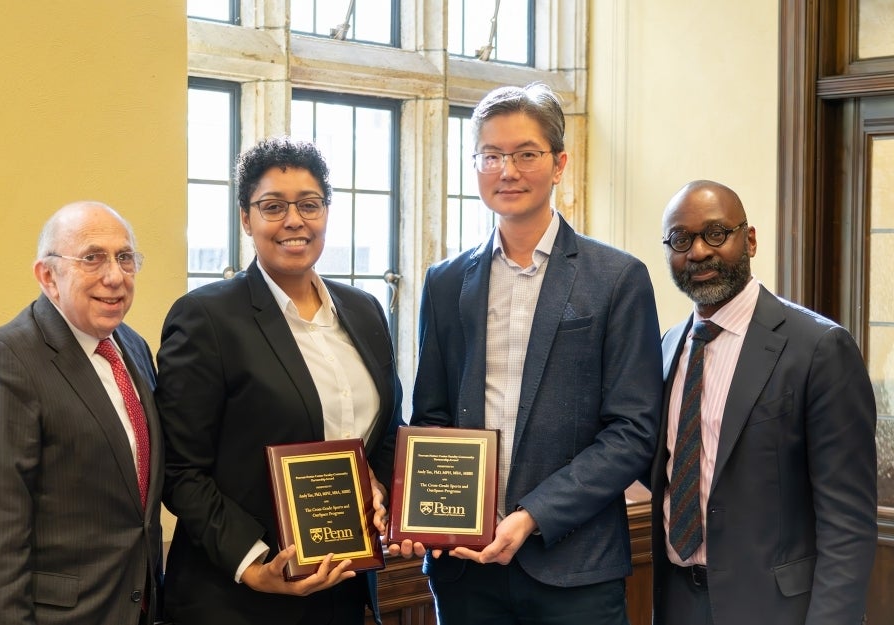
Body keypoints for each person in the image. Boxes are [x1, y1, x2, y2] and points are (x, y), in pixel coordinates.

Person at [399, 83, 663, 624]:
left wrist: (531, 516)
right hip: (466, 568)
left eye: (525, 154)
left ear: (559, 163)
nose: (507, 170)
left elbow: (633, 431)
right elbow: (433, 417)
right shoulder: (447, 282)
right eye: (490, 156)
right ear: (475, 166)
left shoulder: (616, 278)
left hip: (575, 568)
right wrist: (428, 515)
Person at [156, 137, 403, 625]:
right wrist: (253, 564)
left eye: (309, 205)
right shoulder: (206, 317)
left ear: (327, 212)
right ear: (246, 219)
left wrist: (377, 488)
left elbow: (387, 433)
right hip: (237, 598)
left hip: (343, 591)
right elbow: (181, 471)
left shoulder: (364, 310)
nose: (295, 220)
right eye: (273, 207)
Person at [652, 179, 877, 625]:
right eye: (681, 239)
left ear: (749, 239)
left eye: (716, 233)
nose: (698, 252)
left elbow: (848, 525)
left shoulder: (819, 348)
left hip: (776, 610)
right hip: (677, 602)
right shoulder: (667, 346)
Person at [0, 201, 164, 625]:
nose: (114, 276)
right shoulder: (0, 361)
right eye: (92, 258)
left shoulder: (132, 347)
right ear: (48, 276)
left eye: (125, 258)